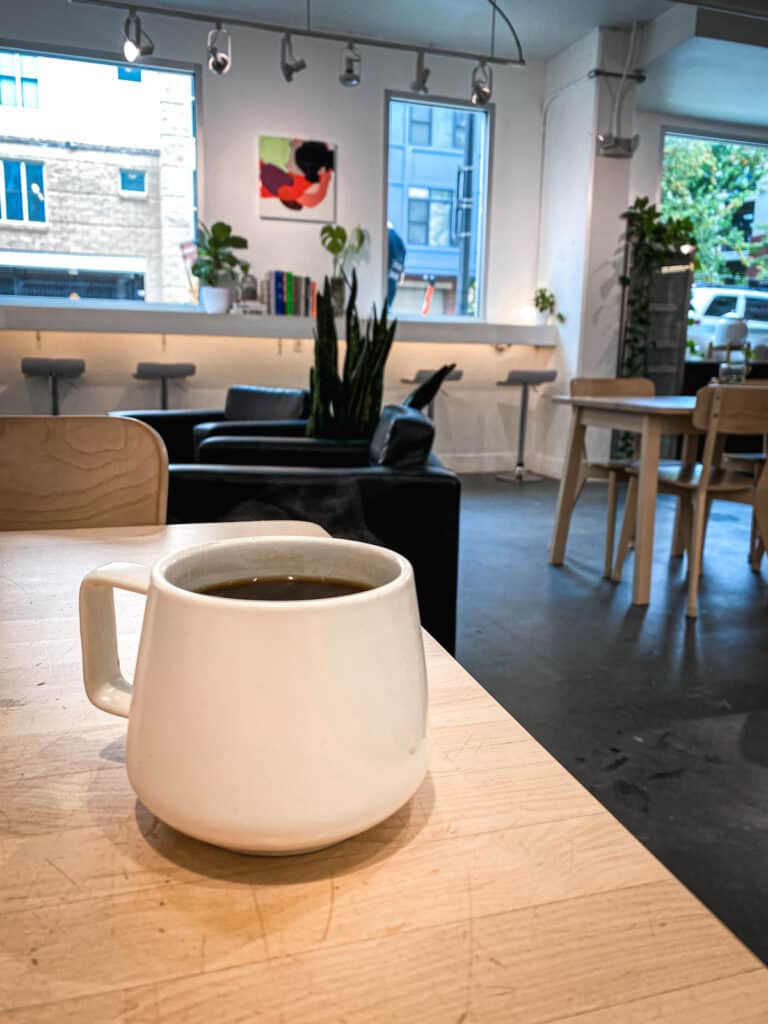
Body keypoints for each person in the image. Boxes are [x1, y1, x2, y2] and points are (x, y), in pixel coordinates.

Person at [387, 223, 406, 308]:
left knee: (389, 284)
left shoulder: (387, 236)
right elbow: (403, 251)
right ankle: (389, 305)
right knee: (392, 284)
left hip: (391, 264)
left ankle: (387, 305)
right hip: (397, 265)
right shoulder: (397, 237)